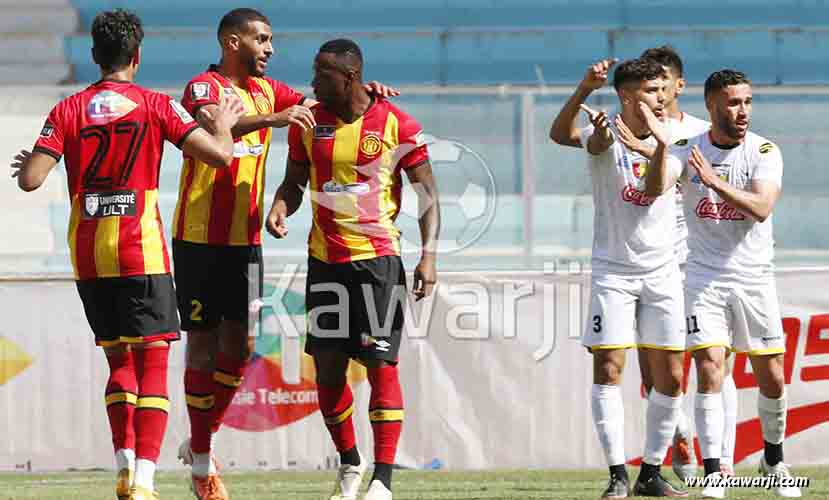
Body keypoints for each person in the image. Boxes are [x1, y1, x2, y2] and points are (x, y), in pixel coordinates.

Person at [10, 9, 243, 500]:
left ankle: (122, 467)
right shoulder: (156, 105)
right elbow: (219, 156)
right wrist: (224, 125)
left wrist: (34, 161)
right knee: (153, 361)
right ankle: (144, 481)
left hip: (90, 255)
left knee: (118, 362)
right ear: (136, 57)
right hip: (141, 250)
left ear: (95, 56)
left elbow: (31, 179)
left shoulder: (67, 109)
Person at [171, 9, 398, 500]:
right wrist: (274, 119)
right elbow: (213, 125)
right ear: (234, 42)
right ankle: (203, 466)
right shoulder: (202, 87)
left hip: (245, 240)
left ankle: (200, 437)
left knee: (241, 349)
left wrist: (367, 93)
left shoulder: (272, 90)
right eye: (262, 39)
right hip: (197, 237)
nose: (271, 49)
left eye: (271, 39)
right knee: (204, 347)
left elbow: (328, 103)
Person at [267, 38, 440, 500]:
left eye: (320, 74)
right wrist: (281, 205)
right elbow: (294, 180)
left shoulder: (397, 123)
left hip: (378, 263)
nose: (311, 82)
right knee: (326, 371)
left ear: (348, 77)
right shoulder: (306, 123)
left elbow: (427, 193)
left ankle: (383, 479)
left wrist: (429, 254)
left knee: (381, 365)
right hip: (325, 263)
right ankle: (350, 463)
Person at [645, 69, 801, 499]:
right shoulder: (686, 148)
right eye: (733, 103)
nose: (743, 111)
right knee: (710, 366)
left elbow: (763, 207)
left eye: (747, 102)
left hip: (754, 277)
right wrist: (660, 146)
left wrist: (714, 181)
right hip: (704, 275)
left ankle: (774, 460)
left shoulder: (765, 150)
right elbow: (654, 187)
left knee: (771, 378)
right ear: (712, 105)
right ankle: (715, 471)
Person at [550, 57, 689, 498]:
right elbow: (562, 135)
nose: (661, 97)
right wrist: (584, 90)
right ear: (627, 96)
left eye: (663, 89)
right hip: (613, 271)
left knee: (669, 377)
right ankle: (616, 474)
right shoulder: (604, 134)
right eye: (651, 91)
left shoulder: (680, 139)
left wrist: (661, 143)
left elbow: (653, 188)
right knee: (609, 367)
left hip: (663, 271)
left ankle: (651, 472)